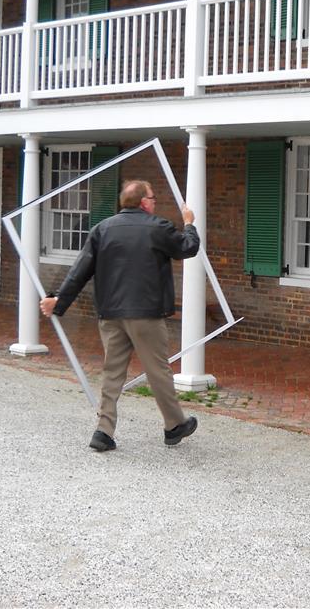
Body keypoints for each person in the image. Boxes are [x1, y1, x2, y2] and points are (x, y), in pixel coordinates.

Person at [40, 179, 201, 452]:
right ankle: (174, 425)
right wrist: (189, 223)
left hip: (111, 314)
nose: (154, 202)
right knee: (158, 370)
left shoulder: (102, 229)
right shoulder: (158, 227)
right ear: (144, 202)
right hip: (146, 314)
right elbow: (188, 247)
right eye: (152, 197)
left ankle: (103, 431)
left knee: (112, 373)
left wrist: (59, 300)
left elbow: (80, 269)